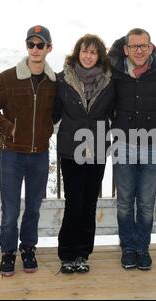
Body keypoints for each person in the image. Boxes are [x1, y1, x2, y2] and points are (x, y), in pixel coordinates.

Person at [0, 25, 56, 277]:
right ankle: (7, 253)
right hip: (12, 154)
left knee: (34, 207)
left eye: (40, 44)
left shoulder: (53, 81)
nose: (35, 49)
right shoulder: (7, 77)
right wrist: (9, 129)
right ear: (27, 47)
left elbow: (56, 112)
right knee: (10, 209)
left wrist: (46, 129)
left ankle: (28, 248)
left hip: (40, 154)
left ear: (49, 48)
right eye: (31, 44)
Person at [108, 28, 156, 271]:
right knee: (125, 201)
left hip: (153, 146)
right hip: (123, 144)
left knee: (146, 202)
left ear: (151, 47)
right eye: (133, 46)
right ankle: (128, 248)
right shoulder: (115, 71)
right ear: (125, 49)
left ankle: (142, 248)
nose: (138, 50)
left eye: (143, 46)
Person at [53, 34, 114, 274]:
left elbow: (119, 110)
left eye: (93, 52)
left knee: (89, 203)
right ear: (77, 53)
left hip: (98, 148)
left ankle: (82, 253)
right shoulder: (62, 80)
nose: (88, 56)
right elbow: (52, 112)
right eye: (84, 51)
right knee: (74, 202)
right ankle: (67, 253)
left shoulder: (111, 82)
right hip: (71, 150)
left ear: (100, 56)